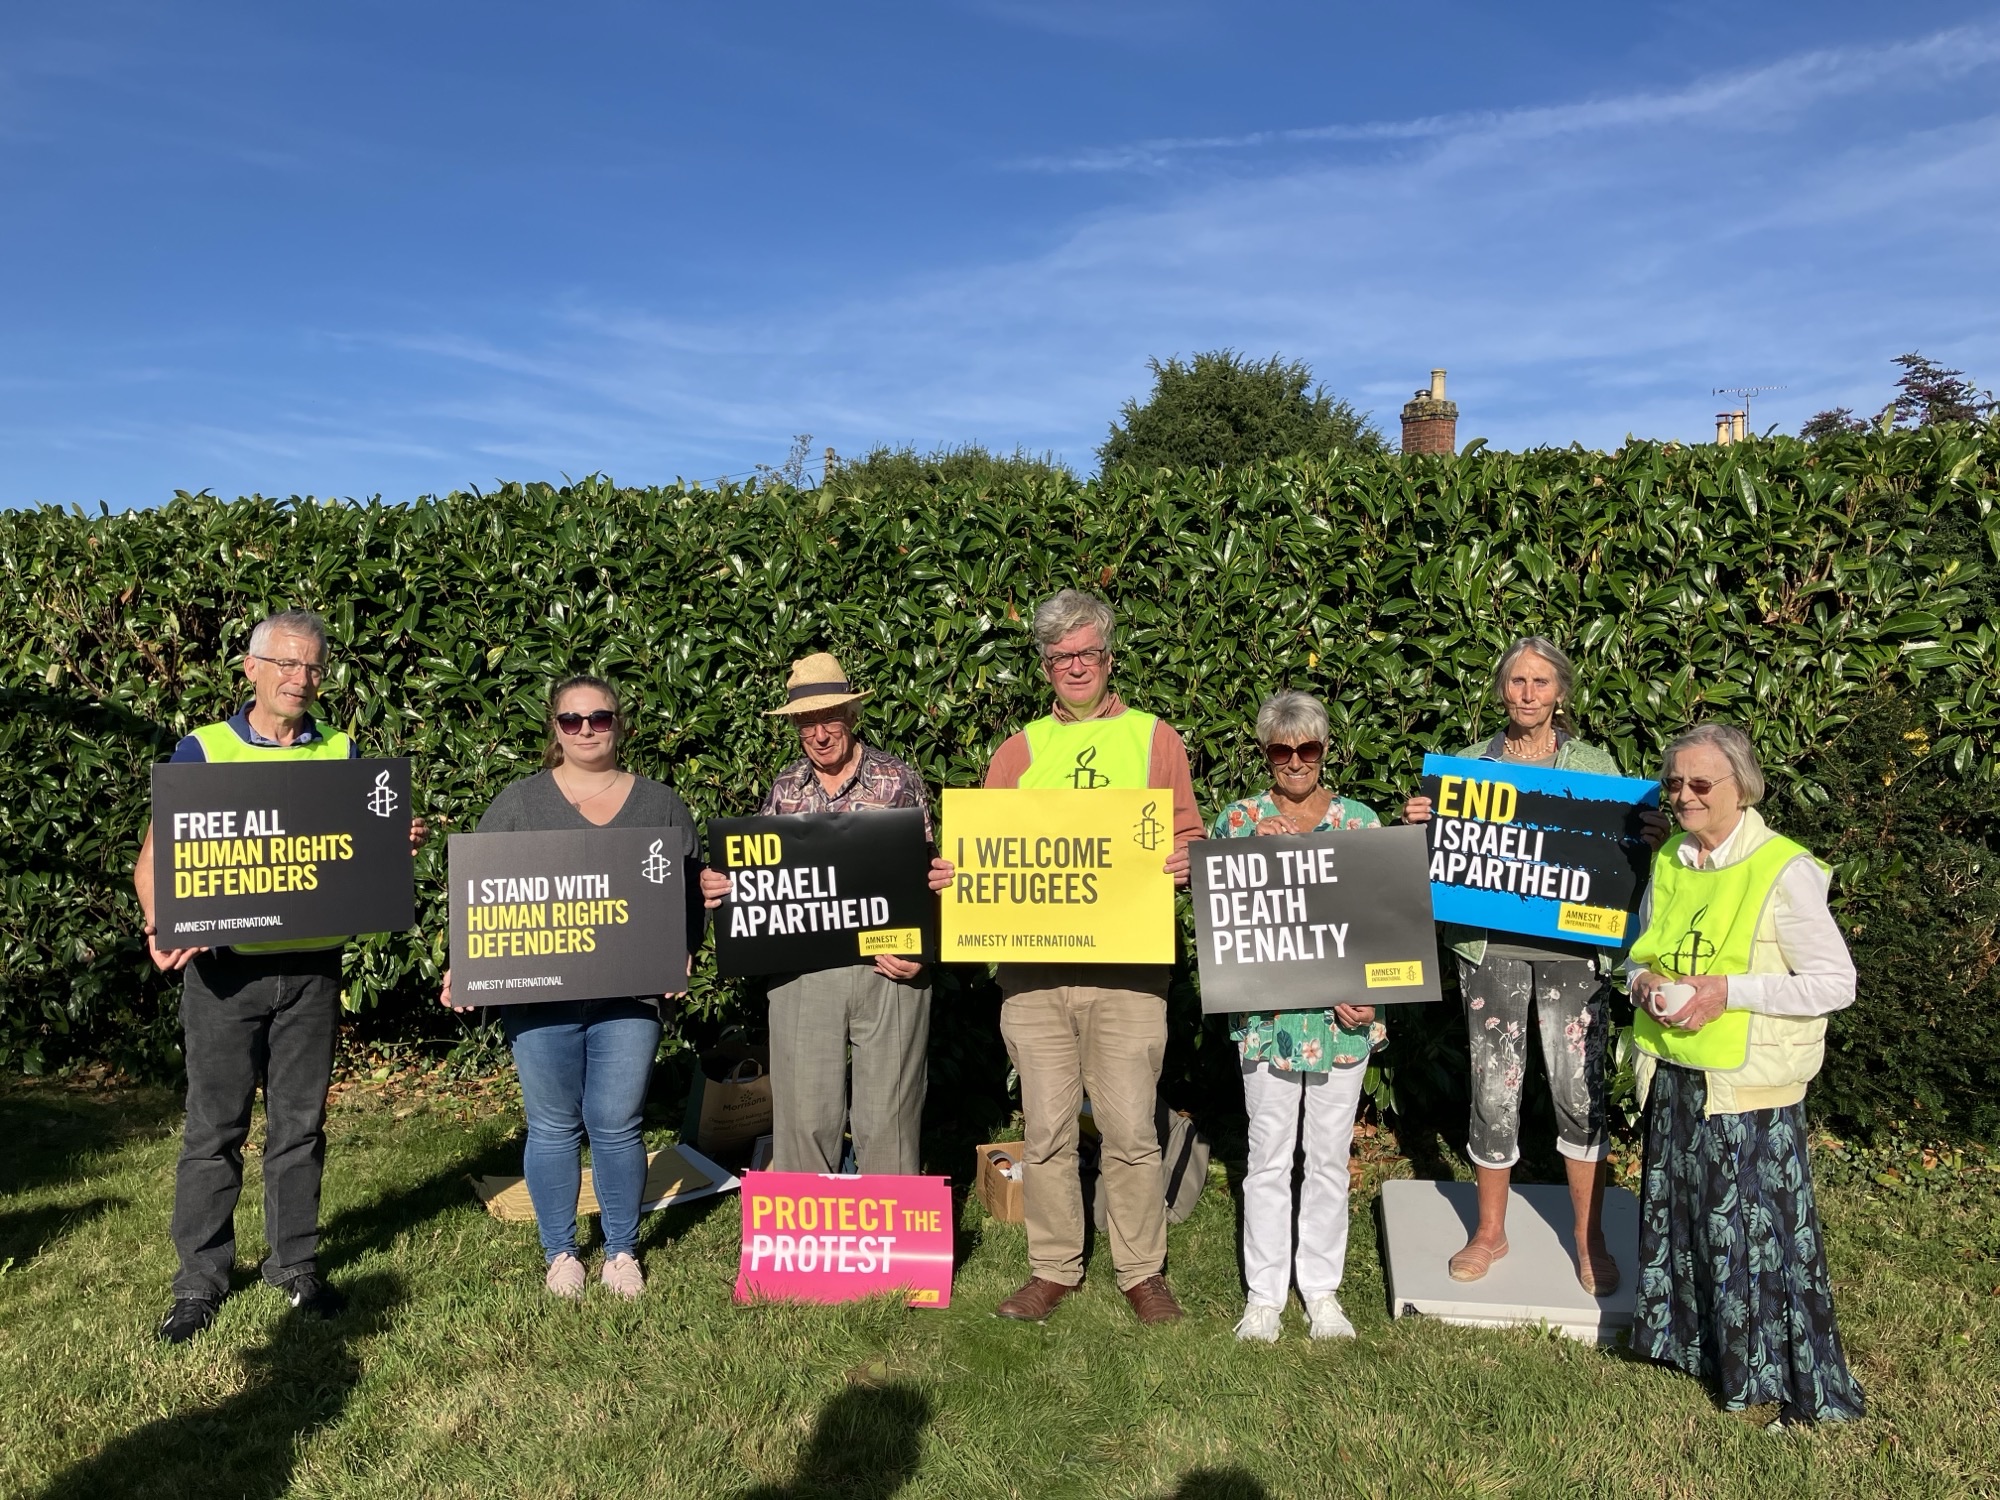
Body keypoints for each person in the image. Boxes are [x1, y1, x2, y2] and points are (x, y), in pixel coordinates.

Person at [134, 608, 429, 1344]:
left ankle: (295, 1265)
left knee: (300, 1127)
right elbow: (154, 861)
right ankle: (199, 1282)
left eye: (314, 667)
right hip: (224, 977)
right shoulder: (201, 752)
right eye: (288, 664)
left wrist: (395, 844)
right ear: (251, 670)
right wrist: (159, 923)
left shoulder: (342, 750)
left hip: (312, 971)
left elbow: (361, 848)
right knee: (215, 1128)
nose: (301, 679)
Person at [928, 589, 1201, 1325]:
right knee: (1044, 1129)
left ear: (1108, 658)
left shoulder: (1155, 739)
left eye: (1087, 653)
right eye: (1060, 657)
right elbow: (985, 854)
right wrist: (959, 875)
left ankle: (1141, 1272)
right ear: (1044, 666)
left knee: (1131, 1129)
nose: (1074, 667)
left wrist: (1188, 858)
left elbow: (1191, 834)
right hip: (1034, 976)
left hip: (1130, 972)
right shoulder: (1018, 750)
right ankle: (1053, 1269)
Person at [1402, 635, 1659, 1294]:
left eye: (1540, 683)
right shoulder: (1467, 766)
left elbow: (1624, 860)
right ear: (1501, 689)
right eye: (1516, 681)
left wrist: (1650, 839)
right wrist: (1423, 823)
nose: (1527, 694)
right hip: (1491, 951)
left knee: (1580, 1096)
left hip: (1575, 953)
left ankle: (1588, 1237)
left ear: (1561, 693)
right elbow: (1438, 861)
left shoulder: (1595, 767)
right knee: (1493, 1092)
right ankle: (1491, 1231)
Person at [1626, 723, 1864, 1428]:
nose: (1684, 796)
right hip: (1676, 1072)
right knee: (1692, 1227)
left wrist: (1731, 992)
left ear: (1742, 787)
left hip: (1750, 1084)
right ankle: (1711, 1356)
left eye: (1700, 784)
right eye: (1674, 784)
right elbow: (1641, 948)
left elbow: (1835, 983)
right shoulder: (1671, 857)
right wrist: (1640, 982)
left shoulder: (1783, 868)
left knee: (1766, 1243)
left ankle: (1810, 1391)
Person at [441, 674, 702, 1299]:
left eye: (600, 718)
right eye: (572, 720)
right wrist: (465, 963)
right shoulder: (517, 804)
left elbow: (690, 894)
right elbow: (482, 894)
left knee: (617, 1123)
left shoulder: (661, 803)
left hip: (628, 996)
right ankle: (560, 1252)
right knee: (553, 1124)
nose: (587, 730)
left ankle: (620, 1251)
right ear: (555, 729)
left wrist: (685, 950)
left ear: (620, 724)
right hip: (538, 994)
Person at [698, 653, 933, 1175]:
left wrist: (921, 951)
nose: (820, 733)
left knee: (890, 1114)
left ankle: (891, 1238)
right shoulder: (784, 790)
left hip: (886, 963)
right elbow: (758, 880)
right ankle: (810, 1243)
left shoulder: (898, 779)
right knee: (805, 1113)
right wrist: (722, 884)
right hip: (803, 969)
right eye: (807, 722)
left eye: (829, 718)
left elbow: (929, 878)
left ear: (851, 716)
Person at [1213, 691, 1383, 1343]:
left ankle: (1322, 1292)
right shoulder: (1238, 821)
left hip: (1343, 1021)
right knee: (1267, 1156)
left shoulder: (1360, 824)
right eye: (1281, 750)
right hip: (1269, 1016)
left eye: (1306, 749)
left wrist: (1369, 992)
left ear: (1324, 751)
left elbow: (1380, 925)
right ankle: (1264, 1297)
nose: (1294, 761)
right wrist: (1249, 853)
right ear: (1265, 754)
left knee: (1330, 1158)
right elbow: (1225, 926)